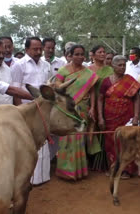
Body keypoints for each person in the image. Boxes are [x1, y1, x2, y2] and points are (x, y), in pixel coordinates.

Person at [11, 37, 51, 185]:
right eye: (35, 49)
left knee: (41, 141)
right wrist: (20, 112)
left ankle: (42, 177)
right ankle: (26, 178)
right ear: (27, 49)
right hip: (27, 110)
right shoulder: (18, 65)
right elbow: (15, 90)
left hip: (42, 110)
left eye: (40, 49)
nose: (38, 51)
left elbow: (47, 87)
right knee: (27, 143)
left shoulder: (45, 65)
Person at [55, 44, 98, 180]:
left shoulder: (89, 73)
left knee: (80, 139)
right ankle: (66, 171)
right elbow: (57, 88)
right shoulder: (63, 71)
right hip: (68, 110)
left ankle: (79, 171)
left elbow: (92, 92)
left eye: (81, 54)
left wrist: (92, 108)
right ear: (70, 55)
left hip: (83, 109)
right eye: (76, 54)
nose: (79, 57)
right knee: (67, 138)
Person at [97, 55, 140, 179]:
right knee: (111, 143)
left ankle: (127, 170)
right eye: (119, 65)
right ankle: (113, 168)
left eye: (124, 65)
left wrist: (136, 116)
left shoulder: (130, 80)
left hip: (127, 116)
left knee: (126, 142)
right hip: (109, 118)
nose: (122, 68)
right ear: (113, 66)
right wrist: (100, 117)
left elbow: (137, 98)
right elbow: (100, 100)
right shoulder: (106, 81)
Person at [87, 45, 114, 171]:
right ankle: (91, 160)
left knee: (104, 130)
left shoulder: (110, 70)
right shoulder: (88, 70)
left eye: (104, 52)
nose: (103, 54)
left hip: (106, 104)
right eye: (100, 52)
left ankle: (103, 162)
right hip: (90, 104)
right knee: (91, 129)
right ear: (93, 55)